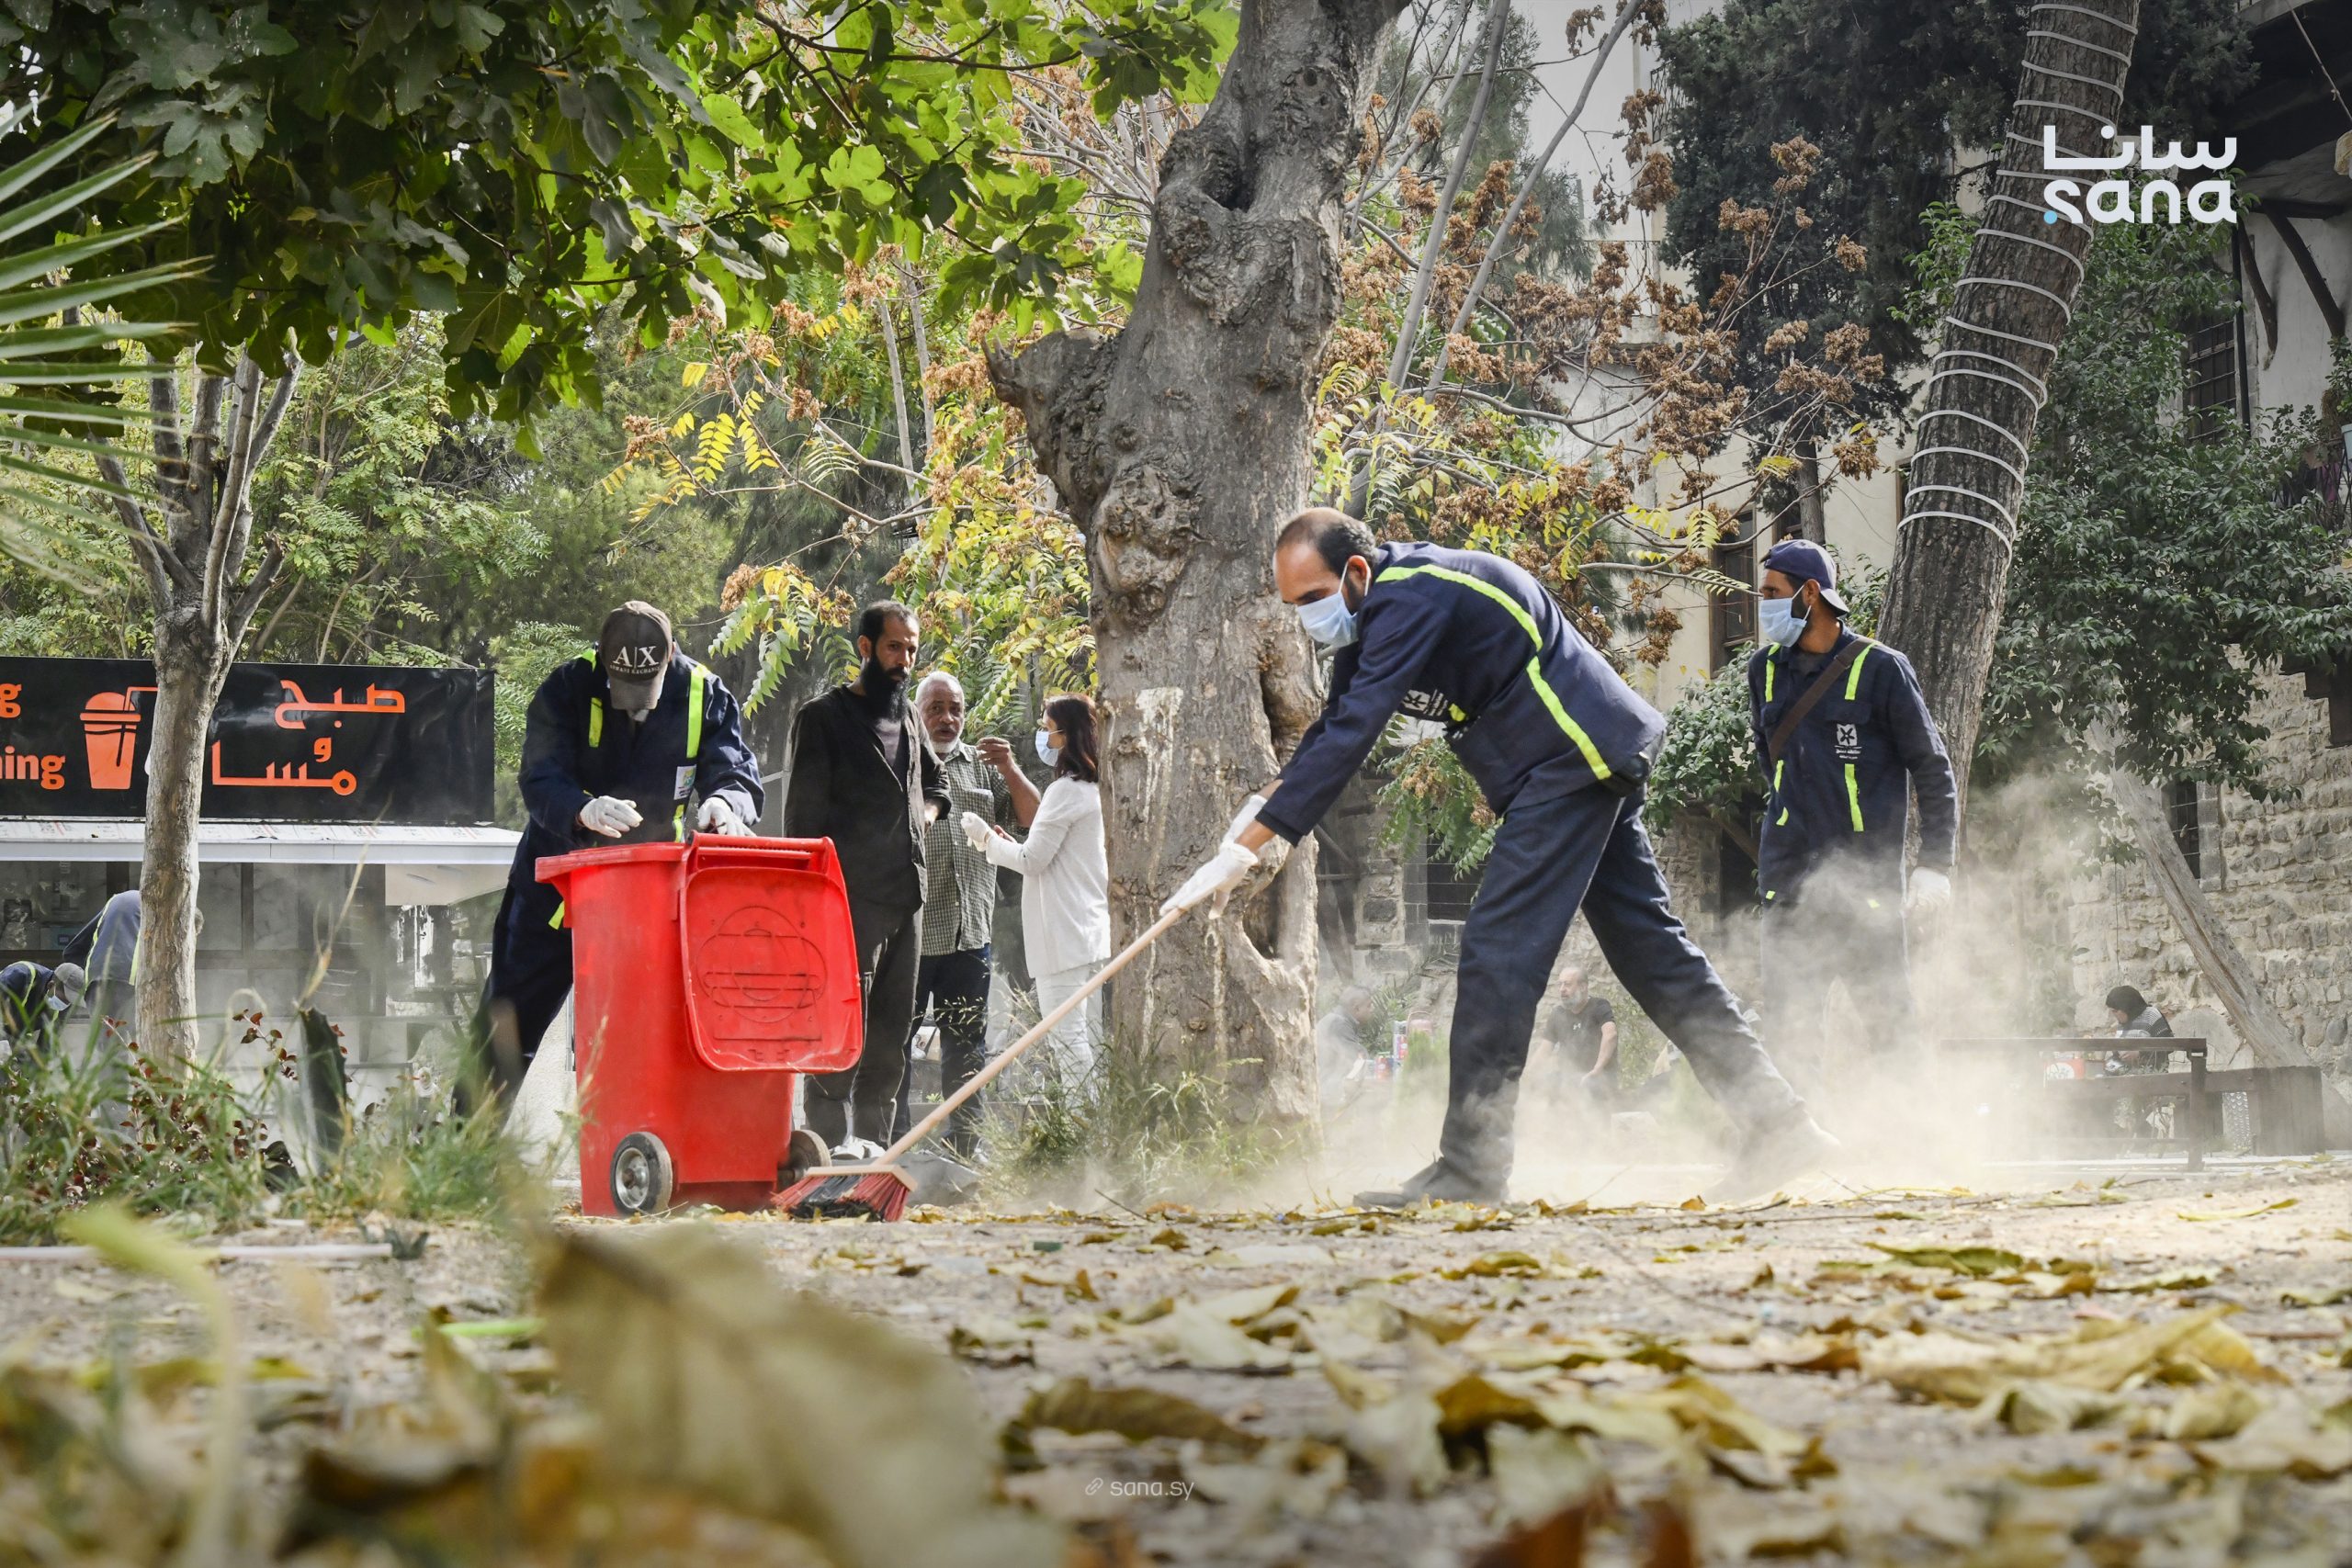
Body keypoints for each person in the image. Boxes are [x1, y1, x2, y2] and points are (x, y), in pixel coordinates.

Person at [1164, 508, 1834, 1204]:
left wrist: (1254, 844)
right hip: (1580, 759)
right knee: (1653, 955)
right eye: (1294, 605)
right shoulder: (1375, 618)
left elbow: (1350, 738)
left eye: (1312, 597)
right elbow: (1332, 728)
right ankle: (1779, 1124)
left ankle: (1472, 1167)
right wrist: (1237, 842)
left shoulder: (1410, 596)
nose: (1307, 618)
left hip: (1572, 757)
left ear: (1356, 572)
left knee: (1496, 954)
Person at [474, 602, 762, 1104]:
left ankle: (631, 1145)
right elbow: (539, 777)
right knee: (505, 1035)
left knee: (639, 1041)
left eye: (646, 693)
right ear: (603, 659)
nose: (635, 709)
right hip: (556, 897)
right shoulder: (566, 688)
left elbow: (736, 773)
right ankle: (464, 1145)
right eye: (623, 691)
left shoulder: (706, 694)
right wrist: (581, 809)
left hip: (648, 904)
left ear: (671, 654)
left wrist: (724, 802)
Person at [1747, 539, 1958, 1083]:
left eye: (1771, 592)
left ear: (1809, 593)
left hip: (1865, 887)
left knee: (1890, 1029)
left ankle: (1914, 1129)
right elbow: (1774, 768)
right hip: (1788, 885)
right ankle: (1802, 1132)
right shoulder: (1763, 670)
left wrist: (1935, 865)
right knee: (1789, 1036)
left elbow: (1932, 769)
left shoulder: (1881, 668)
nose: (1762, 603)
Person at [788, 601, 950, 1148]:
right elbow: (802, 826)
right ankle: (825, 1157)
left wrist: (926, 814)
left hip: (907, 902)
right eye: (893, 647)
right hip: (846, 907)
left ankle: (873, 1158)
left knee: (889, 1044)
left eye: (911, 649)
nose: (904, 660)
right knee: (838, 1038)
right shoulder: (823, 718)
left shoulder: (909, 718)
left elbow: (936, 785)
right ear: (865, 648)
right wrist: (812, 910)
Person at [899, 671, 1021, 1154]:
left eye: (955, 709)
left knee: (967, 1047)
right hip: (912, 935)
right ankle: (892, 1147)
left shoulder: (983, 768)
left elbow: (1027, 818)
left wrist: (1011, 768)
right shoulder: (901, 763)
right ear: (916, 713)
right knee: (897, 1044)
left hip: (971, 936)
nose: (947, 719)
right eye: (935, 709)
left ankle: (965, 1148)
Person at [962, 693, 1109, 1095]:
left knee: (1069, 1043)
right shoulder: (1093, 789)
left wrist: (985, 839)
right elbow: (1051, 855)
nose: (1043, 738)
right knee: (1091, 1040)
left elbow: (1031, 861)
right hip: (1090, 934)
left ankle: (1081, 1122)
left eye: (1048, 730)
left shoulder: (1065, 790)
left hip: (1064, 937)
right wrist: (1008, 844)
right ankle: (1097, 1120)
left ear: (1067, 736)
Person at [1534, 965, 1618, 1107]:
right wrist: (1526, 1076)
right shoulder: (1557, 1014)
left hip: (1598, 1079)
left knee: (1590, 1088)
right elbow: (1544, 1049)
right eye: (1560, 984)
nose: (1562, 989)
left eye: (1567, 984)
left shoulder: (1599, 1006)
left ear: (1582, 987)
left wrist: (1597, 1070)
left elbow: (1611, 1035)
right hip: (1569, 1079)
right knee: (1547, 1084)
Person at [1316, 985, 1378, 1112]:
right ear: (1356, 1008)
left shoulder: (1338, 1020)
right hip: (1329, 1095)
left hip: (1328, 1091)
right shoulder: (1339, 1024)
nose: (1372, 1010)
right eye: (1369, 1006)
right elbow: (1357, 1059)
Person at [0, 961, 85, 1055]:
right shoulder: (19, 976)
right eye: (64, 999)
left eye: (70, 1001)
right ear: (51, 985)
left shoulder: (60, 1009)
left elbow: (46, 1049)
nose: (66, 1004)